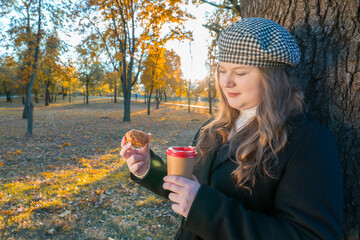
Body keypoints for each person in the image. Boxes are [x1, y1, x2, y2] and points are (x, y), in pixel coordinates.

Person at [120, 17, 343, 240]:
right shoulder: (213, 128)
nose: (226, 82)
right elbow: (190, 187)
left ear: (272, 78)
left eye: (240, 72)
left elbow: (311, 235)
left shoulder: (308, 142)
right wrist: (149, 168)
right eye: (222, 70)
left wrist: (204, 208)